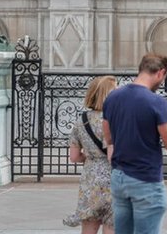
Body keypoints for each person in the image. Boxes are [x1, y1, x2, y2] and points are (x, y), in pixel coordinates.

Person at [102, 53, 167, 234]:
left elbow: (108, 136)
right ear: (160, 73)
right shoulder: (157, 102)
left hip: (119, 176)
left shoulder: (113, 97)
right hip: (145, 177)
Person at [64, 76, 117, 234]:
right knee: (111, 225)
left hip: (90, 179)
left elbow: (74, 157)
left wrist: (89, 157)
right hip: (113, 178)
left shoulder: (81, 121)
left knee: (89, 227)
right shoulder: (115, 120)